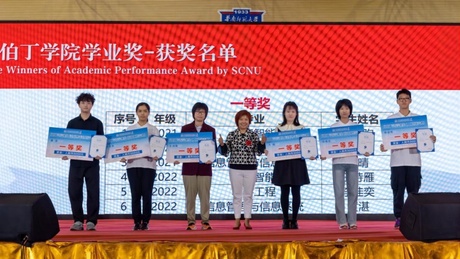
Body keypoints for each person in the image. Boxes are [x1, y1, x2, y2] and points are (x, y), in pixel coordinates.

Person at [380, 88, 436, 229]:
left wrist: (431, 139)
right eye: (401, 99)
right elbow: (387, 142)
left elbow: (425, 140)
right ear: (397, 101)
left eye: (406, 98)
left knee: (413, 192)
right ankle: (398, 217)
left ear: (410, 101)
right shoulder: (391, 120)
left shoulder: (418, 120)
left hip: (414, 161)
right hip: (397, 162)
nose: (404, 101)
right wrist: (384, 146)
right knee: (397, 191)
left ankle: (413, 218)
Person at [321, 99, 369, 230]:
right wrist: (324, 154)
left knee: (353, 192)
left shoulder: (356, 127)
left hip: (352, 162)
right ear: (338, 111)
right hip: (337, 163)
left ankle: (353, 221)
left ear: (350, 110)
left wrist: (366, 151)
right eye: (341, 108)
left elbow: (364, 145)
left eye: (347, 108)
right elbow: (326, 146)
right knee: (339, 192)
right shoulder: (333, 128)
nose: (344, 111)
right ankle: (342, 221)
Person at [218, 110, 266, 230]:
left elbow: (258, 152)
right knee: (237, 195)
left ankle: (247, 220)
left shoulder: (253, 135)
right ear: (237, 121)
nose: (243, 122)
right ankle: (237, 220)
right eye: (241, 119)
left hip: (251, 168)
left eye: (246, 119)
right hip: (235, 168)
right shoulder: (231, 135)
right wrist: (222, 145)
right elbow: (226, 153)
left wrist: (262, 144)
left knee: (248, 195)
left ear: (249, 121)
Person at [271, 101, 315, 229]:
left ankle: (294, 219)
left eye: (293, 111)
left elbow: (308, 146)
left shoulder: (302, 128)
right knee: (284, 192)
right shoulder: (278, 128)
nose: (290, 114)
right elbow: (274, 147)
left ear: (296, 113)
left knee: (296, 191)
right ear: (284, 113)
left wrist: (311, 153)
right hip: (283, 163)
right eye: (288, 111)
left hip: (297, 163)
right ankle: (285, 220)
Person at [64, 92, 104, 231]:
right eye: (83, 102)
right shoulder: (72, 123)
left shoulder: (97, 123)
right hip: (75, 164)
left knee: (93, 192)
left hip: (92, 164)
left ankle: (92, 221)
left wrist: (100, 153)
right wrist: (64, 153)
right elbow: (67, 141)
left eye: (88, 102)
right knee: (74, 192)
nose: (86, 105)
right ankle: (78, 220)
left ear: (92, 105)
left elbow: (101, 142)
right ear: (79, 104)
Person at [121, 102, 159, 230]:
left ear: (148, 113)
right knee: (135, 194)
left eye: (145, 111)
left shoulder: (153, 129)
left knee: (147, 194)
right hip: (133, 165)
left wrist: (156, 154)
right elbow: (124, 148)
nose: (142, 113)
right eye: (140, 111)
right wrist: (122, 156)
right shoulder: (130, 130)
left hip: (149, 166)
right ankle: (136, 221)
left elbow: (158, 148)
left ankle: (146, 221)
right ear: (136, 113)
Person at [179, 102, 217, 230]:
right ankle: (191, 221)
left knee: (205, 197)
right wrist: (177, 156)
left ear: (206, 114)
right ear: (193, 113)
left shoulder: (211, 130)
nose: (200, 114)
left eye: (202, 112)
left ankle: (205, 221)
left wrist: (211, 157)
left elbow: (214, 148)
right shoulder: (185, 129)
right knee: (190, 197)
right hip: (189, 168)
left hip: (205, 168)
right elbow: (181, 148)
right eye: (198, 111)